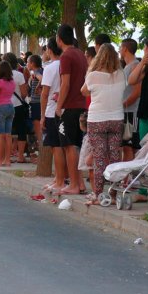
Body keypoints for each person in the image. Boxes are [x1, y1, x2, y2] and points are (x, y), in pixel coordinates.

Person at [81, 43, 125, 205]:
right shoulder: (120, 74)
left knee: (99, 158)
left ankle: (98, 194)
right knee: (114, 157)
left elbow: (84, 91)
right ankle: (113, 194)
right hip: (117, 119)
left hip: (97, 119)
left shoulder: (93, 75)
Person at [55, 24, 88, 195]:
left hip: (70, 106)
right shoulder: (81, 55)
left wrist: (59, 106)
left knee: (69, 146)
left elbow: (65, 84)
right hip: (81, 104)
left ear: (59, 39)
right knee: (77, 145)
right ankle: (80, 183)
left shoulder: (66, 56)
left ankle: (74, 184)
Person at [40, 37, 66, 193]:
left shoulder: (50, 68)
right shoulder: (65, 64)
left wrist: (42, 116)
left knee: (56, 148)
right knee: (63, 147)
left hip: (52, 110)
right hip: (64, 109)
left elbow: (45, 93)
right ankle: (58, 178)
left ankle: (60, 180)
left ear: (49, 50)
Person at [3, 53, 28, 163]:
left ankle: (6, 156)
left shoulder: (1, 75)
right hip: (17, 105)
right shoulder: (19, 75)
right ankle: (20, 156)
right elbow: (23, 93)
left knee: (5, 132)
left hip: (4, 105)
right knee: (21, 130)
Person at [119, 38, 141, 161]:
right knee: (126, 146)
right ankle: (128, 178)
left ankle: (128, 179)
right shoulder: (128, 66)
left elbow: (137, 92)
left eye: (120, 47)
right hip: (126, 112)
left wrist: (123, 105)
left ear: (125, 49)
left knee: (128, 146)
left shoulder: (135, 66)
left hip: (131, 112)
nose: (119, 50)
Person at [26, 54, 43, 144]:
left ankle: (41, 146)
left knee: (37, 125)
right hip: (39, 102)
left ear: (32, 63)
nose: (27, 64)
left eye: (28, 62)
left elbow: (42, 79)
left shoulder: (36, 72)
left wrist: (37, 86)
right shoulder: (41, 70)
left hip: (36, 102)